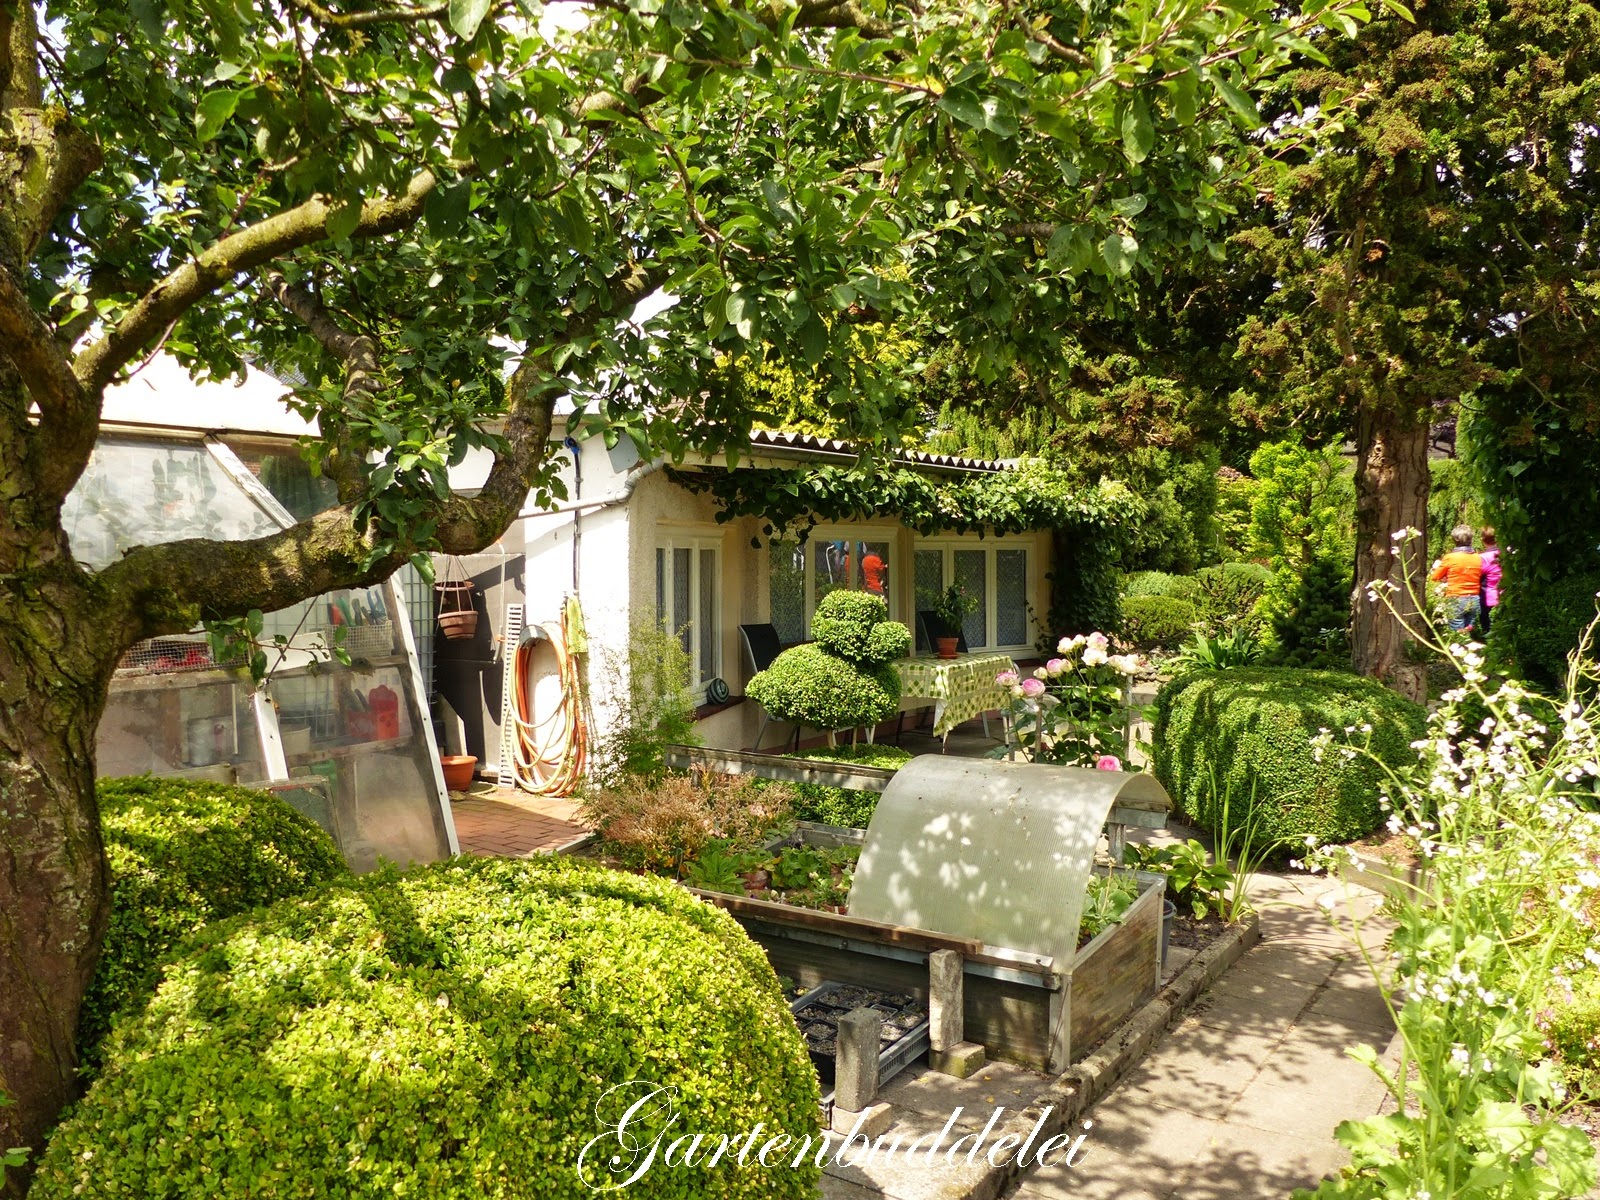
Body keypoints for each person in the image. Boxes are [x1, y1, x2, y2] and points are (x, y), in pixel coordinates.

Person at [1430, 524, 1483, 632]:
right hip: (1474, 598)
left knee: (1457, 634)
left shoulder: (1450, 558)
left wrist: (1446, 577)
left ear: (1455, 540)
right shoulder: (1478, 557)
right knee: (1471, 632)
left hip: (1456, 598)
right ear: (1471, 539)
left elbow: (1435, 577)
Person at [1478, 526, 1501, 634]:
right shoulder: (1504, 554)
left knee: (1488, 627)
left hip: (1489, 596)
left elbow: (1477, 575)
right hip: (1505, 592)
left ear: (1482, 540)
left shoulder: (1483, 558)